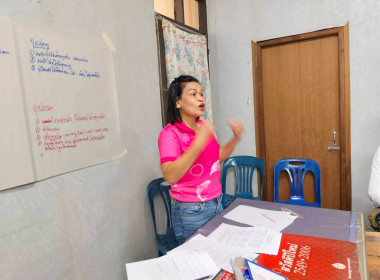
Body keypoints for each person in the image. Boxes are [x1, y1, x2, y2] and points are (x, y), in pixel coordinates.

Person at [158, 75, 244, 244]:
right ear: (178, 102)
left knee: (215, 254)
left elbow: (216, 158)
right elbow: (170, 175)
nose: (200, 98)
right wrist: (198, 143)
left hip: (216, 201)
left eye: (201, 93)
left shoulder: (203, 126)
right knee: (196, 263)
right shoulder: (169, 134)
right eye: (193, 94)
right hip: (191, 210)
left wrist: (235, 139)